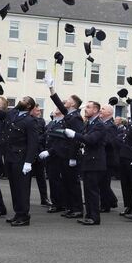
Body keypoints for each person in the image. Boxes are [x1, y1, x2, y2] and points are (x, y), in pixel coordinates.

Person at [0, 86, 38, 227]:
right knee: (14, 187)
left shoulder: (30, 121)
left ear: (28, 105)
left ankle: (24, 216)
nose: (20, 100)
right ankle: (18, 213)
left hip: (21, 159)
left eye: (23, 100)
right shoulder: (13, 114)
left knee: (22, 188)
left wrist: (29, 161)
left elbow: (33, 143)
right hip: (10, 157)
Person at [44, 75, 84, 218]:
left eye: (69, 100)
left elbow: (76, 138)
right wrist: (51, 88)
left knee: (73, 183)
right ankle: (71, 207)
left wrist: (73, 157)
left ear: (73, 105)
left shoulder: (76, 117)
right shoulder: (70, 114)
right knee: (67, 182)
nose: (65, 101)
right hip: (64, 154)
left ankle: (78, 209)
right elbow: (59, 103)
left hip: (70, 155)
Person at [64, 101, 107, 226]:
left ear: (96, 110)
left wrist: (75, 135)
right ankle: (89, 215)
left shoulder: (99, 125)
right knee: (88, 190)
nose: (85, 109)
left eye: (88, 107)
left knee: (92, 191)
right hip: (89, 161)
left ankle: (94, 217)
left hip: (95, 161)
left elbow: (91, 140)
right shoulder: (90, 123)